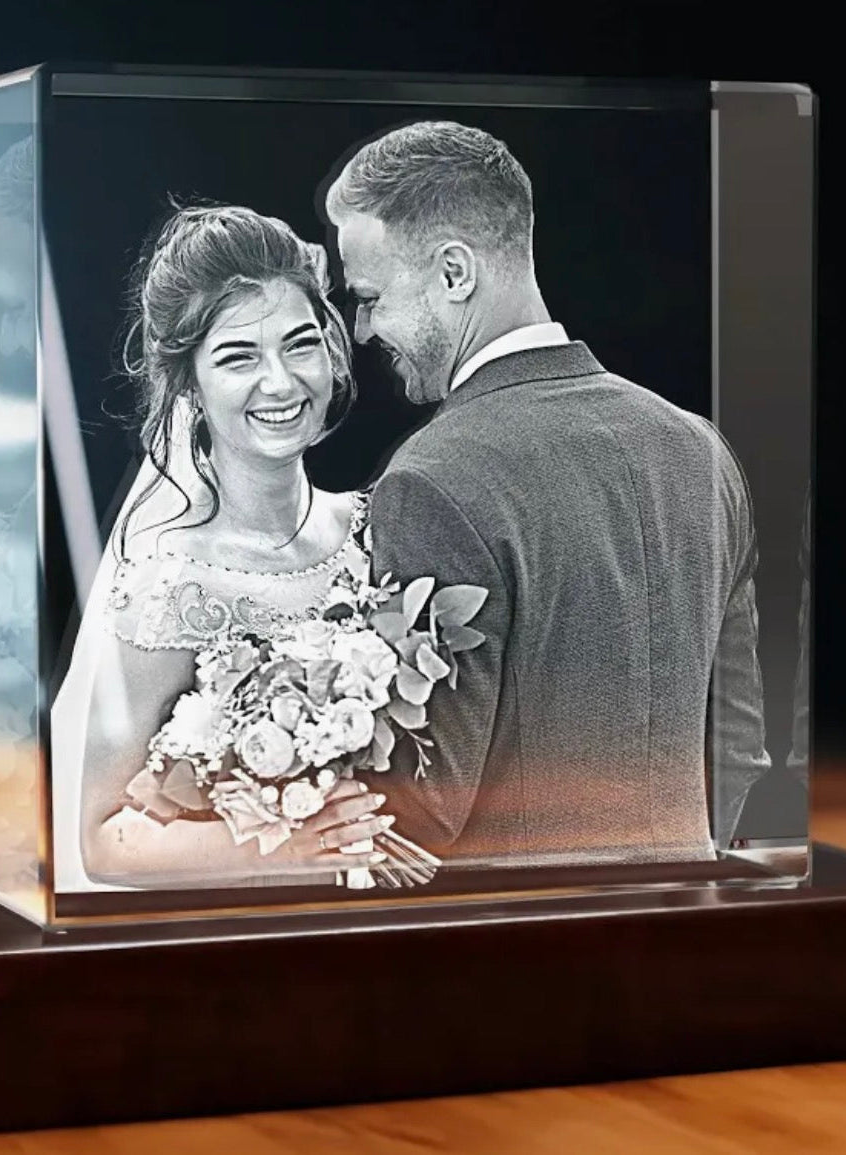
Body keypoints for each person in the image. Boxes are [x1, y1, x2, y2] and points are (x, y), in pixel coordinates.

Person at [324, 120, 771, 868]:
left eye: (369, 296)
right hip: (685, 938)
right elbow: (739, 743)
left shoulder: (430, 480)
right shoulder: (699, 446)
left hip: (513, 958)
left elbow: (424, 812)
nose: (363, 327)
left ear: (454, 272)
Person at [51, 204, 392, 892]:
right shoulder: (171, 587)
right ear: (189, 385)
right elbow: (102, 838)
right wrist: (288, 851)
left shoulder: (375, 528)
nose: (281, 381)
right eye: (239, 356)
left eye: (300, 344)